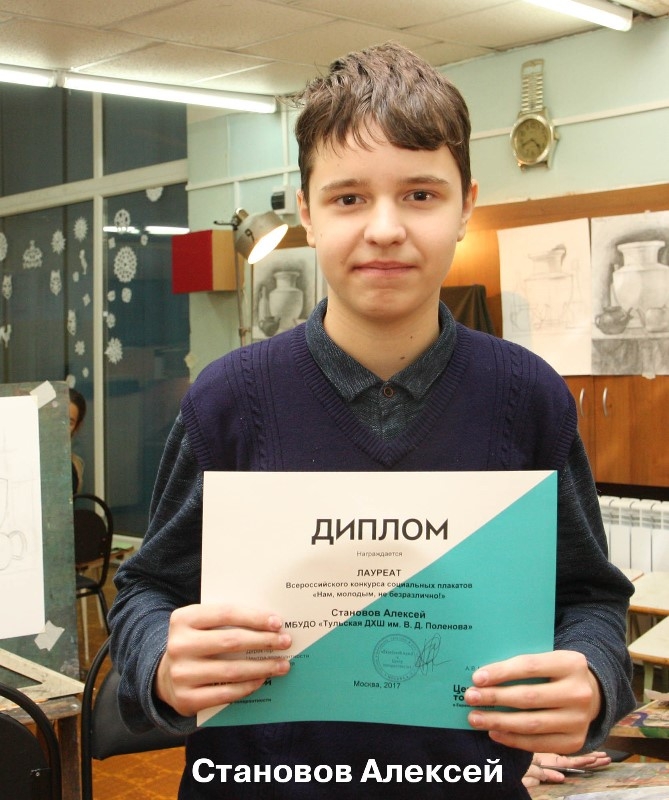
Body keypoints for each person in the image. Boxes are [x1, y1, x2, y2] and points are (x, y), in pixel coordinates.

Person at [108, 42, 636, 799]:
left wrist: (593, 678)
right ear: (307, 212)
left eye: (420, 194)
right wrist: (159, 658)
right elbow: (145, 588)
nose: (385, 228)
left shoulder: (527, 397)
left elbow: (588, 596)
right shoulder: (229, 398)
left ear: (465, 206)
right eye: (349, 198)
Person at [69, 387, 86, 494]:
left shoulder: (71, 469)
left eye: (69, 422)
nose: (61, 425)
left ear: (76, 427)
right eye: (58, 417)